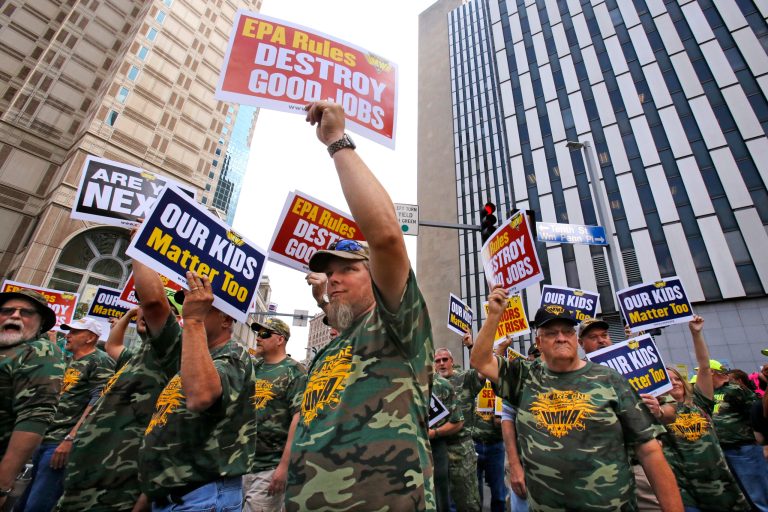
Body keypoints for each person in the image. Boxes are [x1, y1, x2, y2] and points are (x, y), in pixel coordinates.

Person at [286, 101, 434, 510]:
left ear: (376, 276)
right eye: (328, 273)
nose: (333, 278)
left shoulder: (395, 326)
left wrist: (337, 142)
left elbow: (386, 237)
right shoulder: (329, 350)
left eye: (348, 269)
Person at [471, 287, 683, 511]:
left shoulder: (610, 379)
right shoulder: (524, 376)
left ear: (575, 338)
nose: (561, 338)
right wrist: (494, 314)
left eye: (567, 331)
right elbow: (480, 361)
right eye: (551, 333)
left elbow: (649, 451)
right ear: (539, 341)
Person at [57, 260, 182, 511]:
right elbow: (113, 346)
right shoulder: (138, 354)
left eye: (146, 308)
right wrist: (129, 314)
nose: (143, 312)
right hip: (90, 469)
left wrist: (141, 248)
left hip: (121, 476)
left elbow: (155, 303)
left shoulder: (171, 351)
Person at [136, 271, 256, 510]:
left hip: (202, 497)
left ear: (225, 320)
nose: (188, 308)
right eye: (188, 303)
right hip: (168, 494)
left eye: (203, 305)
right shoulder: (188, 356)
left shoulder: (233, 355)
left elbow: (200, 397)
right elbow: (154, 306)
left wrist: (193, 321)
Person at [578, 316, 676, 512]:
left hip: (641, 466)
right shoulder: (576, 373)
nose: (601, 340)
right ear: (581, 343)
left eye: (604, 335)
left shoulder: (635, 365)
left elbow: (671, 412)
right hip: (601, 470)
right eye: (593, 337)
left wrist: (658, 410)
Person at [16, 318, 114, 512]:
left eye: (75, 332)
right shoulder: (69, 359)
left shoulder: (100, 361)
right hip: (46, 438)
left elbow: (99, 402)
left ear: (90, 338)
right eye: (69, 330)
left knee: (38, 504)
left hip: (61, 443)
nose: (68, 335)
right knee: (24, 501)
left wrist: (71, 438)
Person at [661, 315, 749, 511]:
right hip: (684, 486)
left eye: (676, 378)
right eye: (667, 380)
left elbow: (705, 366)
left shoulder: (700, 402)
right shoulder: (659, 411)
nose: (674, 382)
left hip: (718, 483)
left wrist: (696, 333)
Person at [0, 289, 64, 511]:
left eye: (26, 312)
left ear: (41, 322)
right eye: (7, 310)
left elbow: (35, 415)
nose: (15, 315)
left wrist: (3, 486)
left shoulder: (39, 351)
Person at [243, 318, 306, 512]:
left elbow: (299, 417)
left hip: (270, 468)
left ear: (280, 339)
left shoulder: (294, 371)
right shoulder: (253, 368)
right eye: (257, 333)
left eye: (264, 334)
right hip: (243, 465)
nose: (258, 338)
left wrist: (284, 467)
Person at [711, 358, 768, 510]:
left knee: (757, 490)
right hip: (721, 451)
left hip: (743, 448)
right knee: (739, 492)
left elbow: (755, 410)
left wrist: (757, 438)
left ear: (713, 372)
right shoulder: (706, 394)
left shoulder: (734, 389)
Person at [433, 347, 481, 512]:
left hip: (461, 449)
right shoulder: (431, 385)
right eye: (437, 361)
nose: (441, 364)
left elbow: (483, 368)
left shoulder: (465, 378)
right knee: (440, 502)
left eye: (445, 359)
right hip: (437, 449)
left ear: (452, 361)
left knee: (468, 501)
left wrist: (471, 347)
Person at [429, 373, 463, 512]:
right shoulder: (407, 382)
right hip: (408, 447)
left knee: (440, 495)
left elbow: (457, 421)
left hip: (436, 447)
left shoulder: (442, 385)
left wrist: (434, 433)